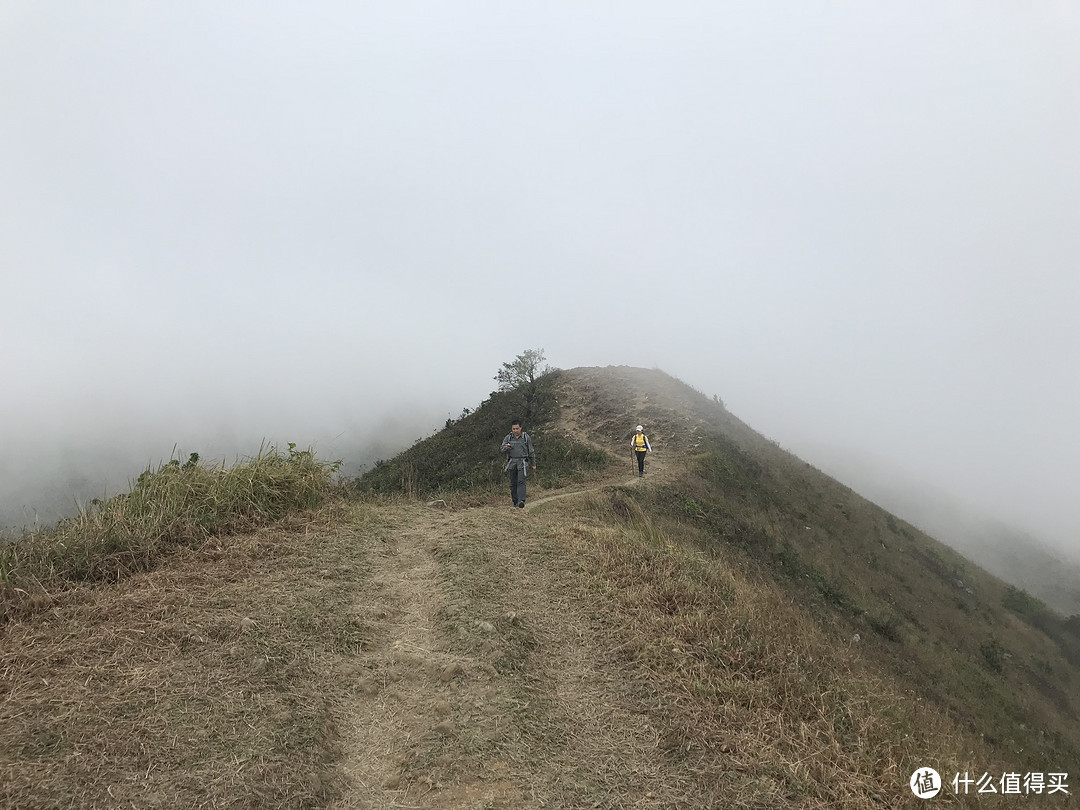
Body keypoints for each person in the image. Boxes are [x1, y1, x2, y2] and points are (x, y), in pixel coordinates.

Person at [501, 418, 536, 508]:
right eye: (514, 429)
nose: (515, 431)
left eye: (517, 428)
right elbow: (501, 448)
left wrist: (533, 464)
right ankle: (515, 502)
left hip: (523, 462)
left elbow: (531, 451)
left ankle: (521, 501)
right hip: (512, 462)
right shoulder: (508, 437)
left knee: (521, 481)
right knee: (513, 483)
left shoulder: (526, 437)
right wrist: (506, 447)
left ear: (521, 428)